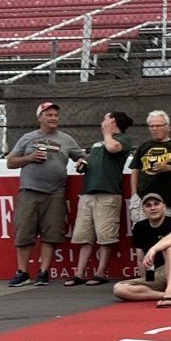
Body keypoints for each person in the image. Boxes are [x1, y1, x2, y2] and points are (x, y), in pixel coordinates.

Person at [7, 100, 85, 287]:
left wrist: (82, 162)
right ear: (39, 117)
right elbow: (10, 162)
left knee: (51, 234)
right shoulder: (27, 138)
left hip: (55, 193)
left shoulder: (66, 139)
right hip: (29, 192)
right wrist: (30, 158)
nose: (53, 118)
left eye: (55, 115)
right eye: (49, 115)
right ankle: (22, 272)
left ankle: (43, 272)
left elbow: (81, 155)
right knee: (24, 233)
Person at [65, 110, 130, 286]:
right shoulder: (96, 145)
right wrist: (83, 164)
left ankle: (100, 272)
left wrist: (107, 133)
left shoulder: (123, 139)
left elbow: (112, 148)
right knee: (84, 235)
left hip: (108, 193)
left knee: (105, 236)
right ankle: (79, 273)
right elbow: (92, 161)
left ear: (113, 121)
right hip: (88, 192)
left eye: (105, 119)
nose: (102, 122)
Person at [112, 193, 171, 308]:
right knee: (119, 289)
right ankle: (168, 294)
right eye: (148, 205)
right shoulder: (140, 227)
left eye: (157, 204)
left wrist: (154, 249)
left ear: (164, 207)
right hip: (158, 274)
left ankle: (170, 293)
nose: (153, 208)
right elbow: (141, 259)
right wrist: (148, 281)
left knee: (170, 248)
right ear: (144, 210)